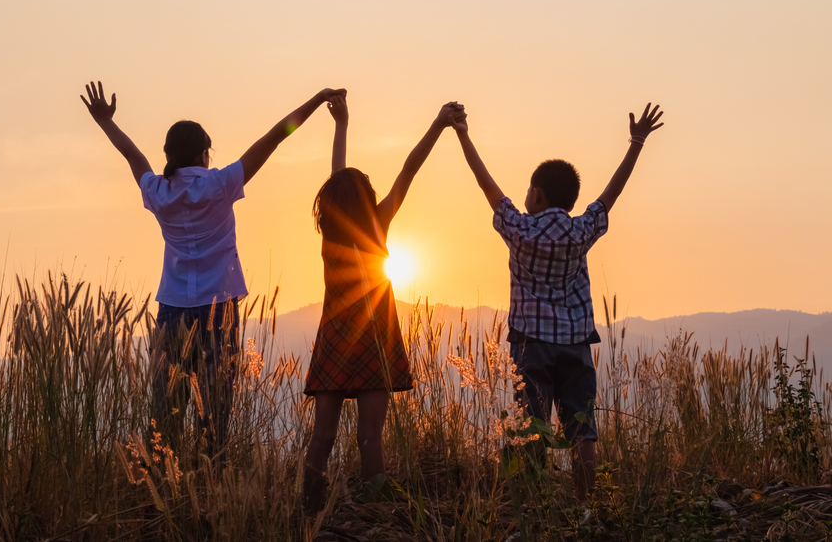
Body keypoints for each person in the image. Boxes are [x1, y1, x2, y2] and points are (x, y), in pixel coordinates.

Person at [79, 80, 347, 460]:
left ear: (169, 154)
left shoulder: (159, 193)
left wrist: (105, 121)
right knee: (215, 414)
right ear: (205, 153)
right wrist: (318, 100)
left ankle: (166, 490)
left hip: (172, 311)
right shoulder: (221, 184)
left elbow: (132, 155)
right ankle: (211, 485)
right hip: (218, 312)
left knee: (166, 413)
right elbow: (274, 138)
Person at [451, 103, 664, 504]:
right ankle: (584, 508)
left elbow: (487, 186)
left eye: (529, 189)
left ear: (537, 193)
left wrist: (462, 134)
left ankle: (531, 508)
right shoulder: (581, 229)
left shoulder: (520, 228)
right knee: (583, 430)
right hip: (577, 343)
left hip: (531, 345)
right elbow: (610, 195)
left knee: (530, 428)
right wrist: (636, 144)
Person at [301, 93, 466, 512]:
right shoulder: (378, 223)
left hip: (336, 339)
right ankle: (376, 513)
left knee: (322, 437)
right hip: (374, 339)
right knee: (370, 436)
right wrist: (439, 123)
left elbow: (338, 178)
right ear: (366, 197)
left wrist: (341, 126)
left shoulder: (330, 235)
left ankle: (308, 509)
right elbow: (409, 168)